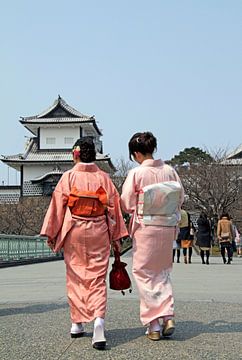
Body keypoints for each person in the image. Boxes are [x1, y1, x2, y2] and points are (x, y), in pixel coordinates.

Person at [41, 137, 128, 350]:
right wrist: (116, 237)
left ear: (76, 154)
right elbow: (114, 210)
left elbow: (57, 207)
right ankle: (99, 320)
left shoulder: (68, 177)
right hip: (98, 229)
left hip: (75, 230)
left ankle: (77, 323)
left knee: (75, 275)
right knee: (97, 277)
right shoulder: (104, 178)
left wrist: (51, 233)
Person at [120, 132, 184, 341]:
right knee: (162, 271)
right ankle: (168, 316)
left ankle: (154, 325)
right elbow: (180, 198)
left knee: (144, 272)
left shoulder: (137, 174)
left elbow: (127, 203)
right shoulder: (170, 171)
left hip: (146, 227)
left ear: (136, 153)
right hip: (167, 227)